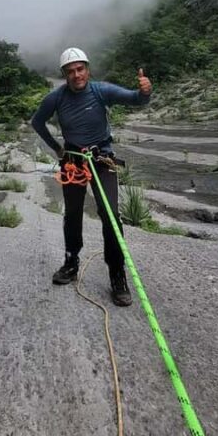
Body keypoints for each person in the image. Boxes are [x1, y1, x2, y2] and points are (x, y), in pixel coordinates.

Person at [31, 47, 152, 306]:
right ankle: (71, 262)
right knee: (72, 214)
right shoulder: (56, 98)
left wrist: (145, 91)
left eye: (80, 69)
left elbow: (135, 100)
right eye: (70, 71)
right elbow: (37, 122)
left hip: (101, 159)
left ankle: (117, 274)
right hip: (73, 161)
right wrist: (56, 148)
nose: (76, 75)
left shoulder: (101, 91)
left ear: (88, 69)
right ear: (64, 74)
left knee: (110, 216)